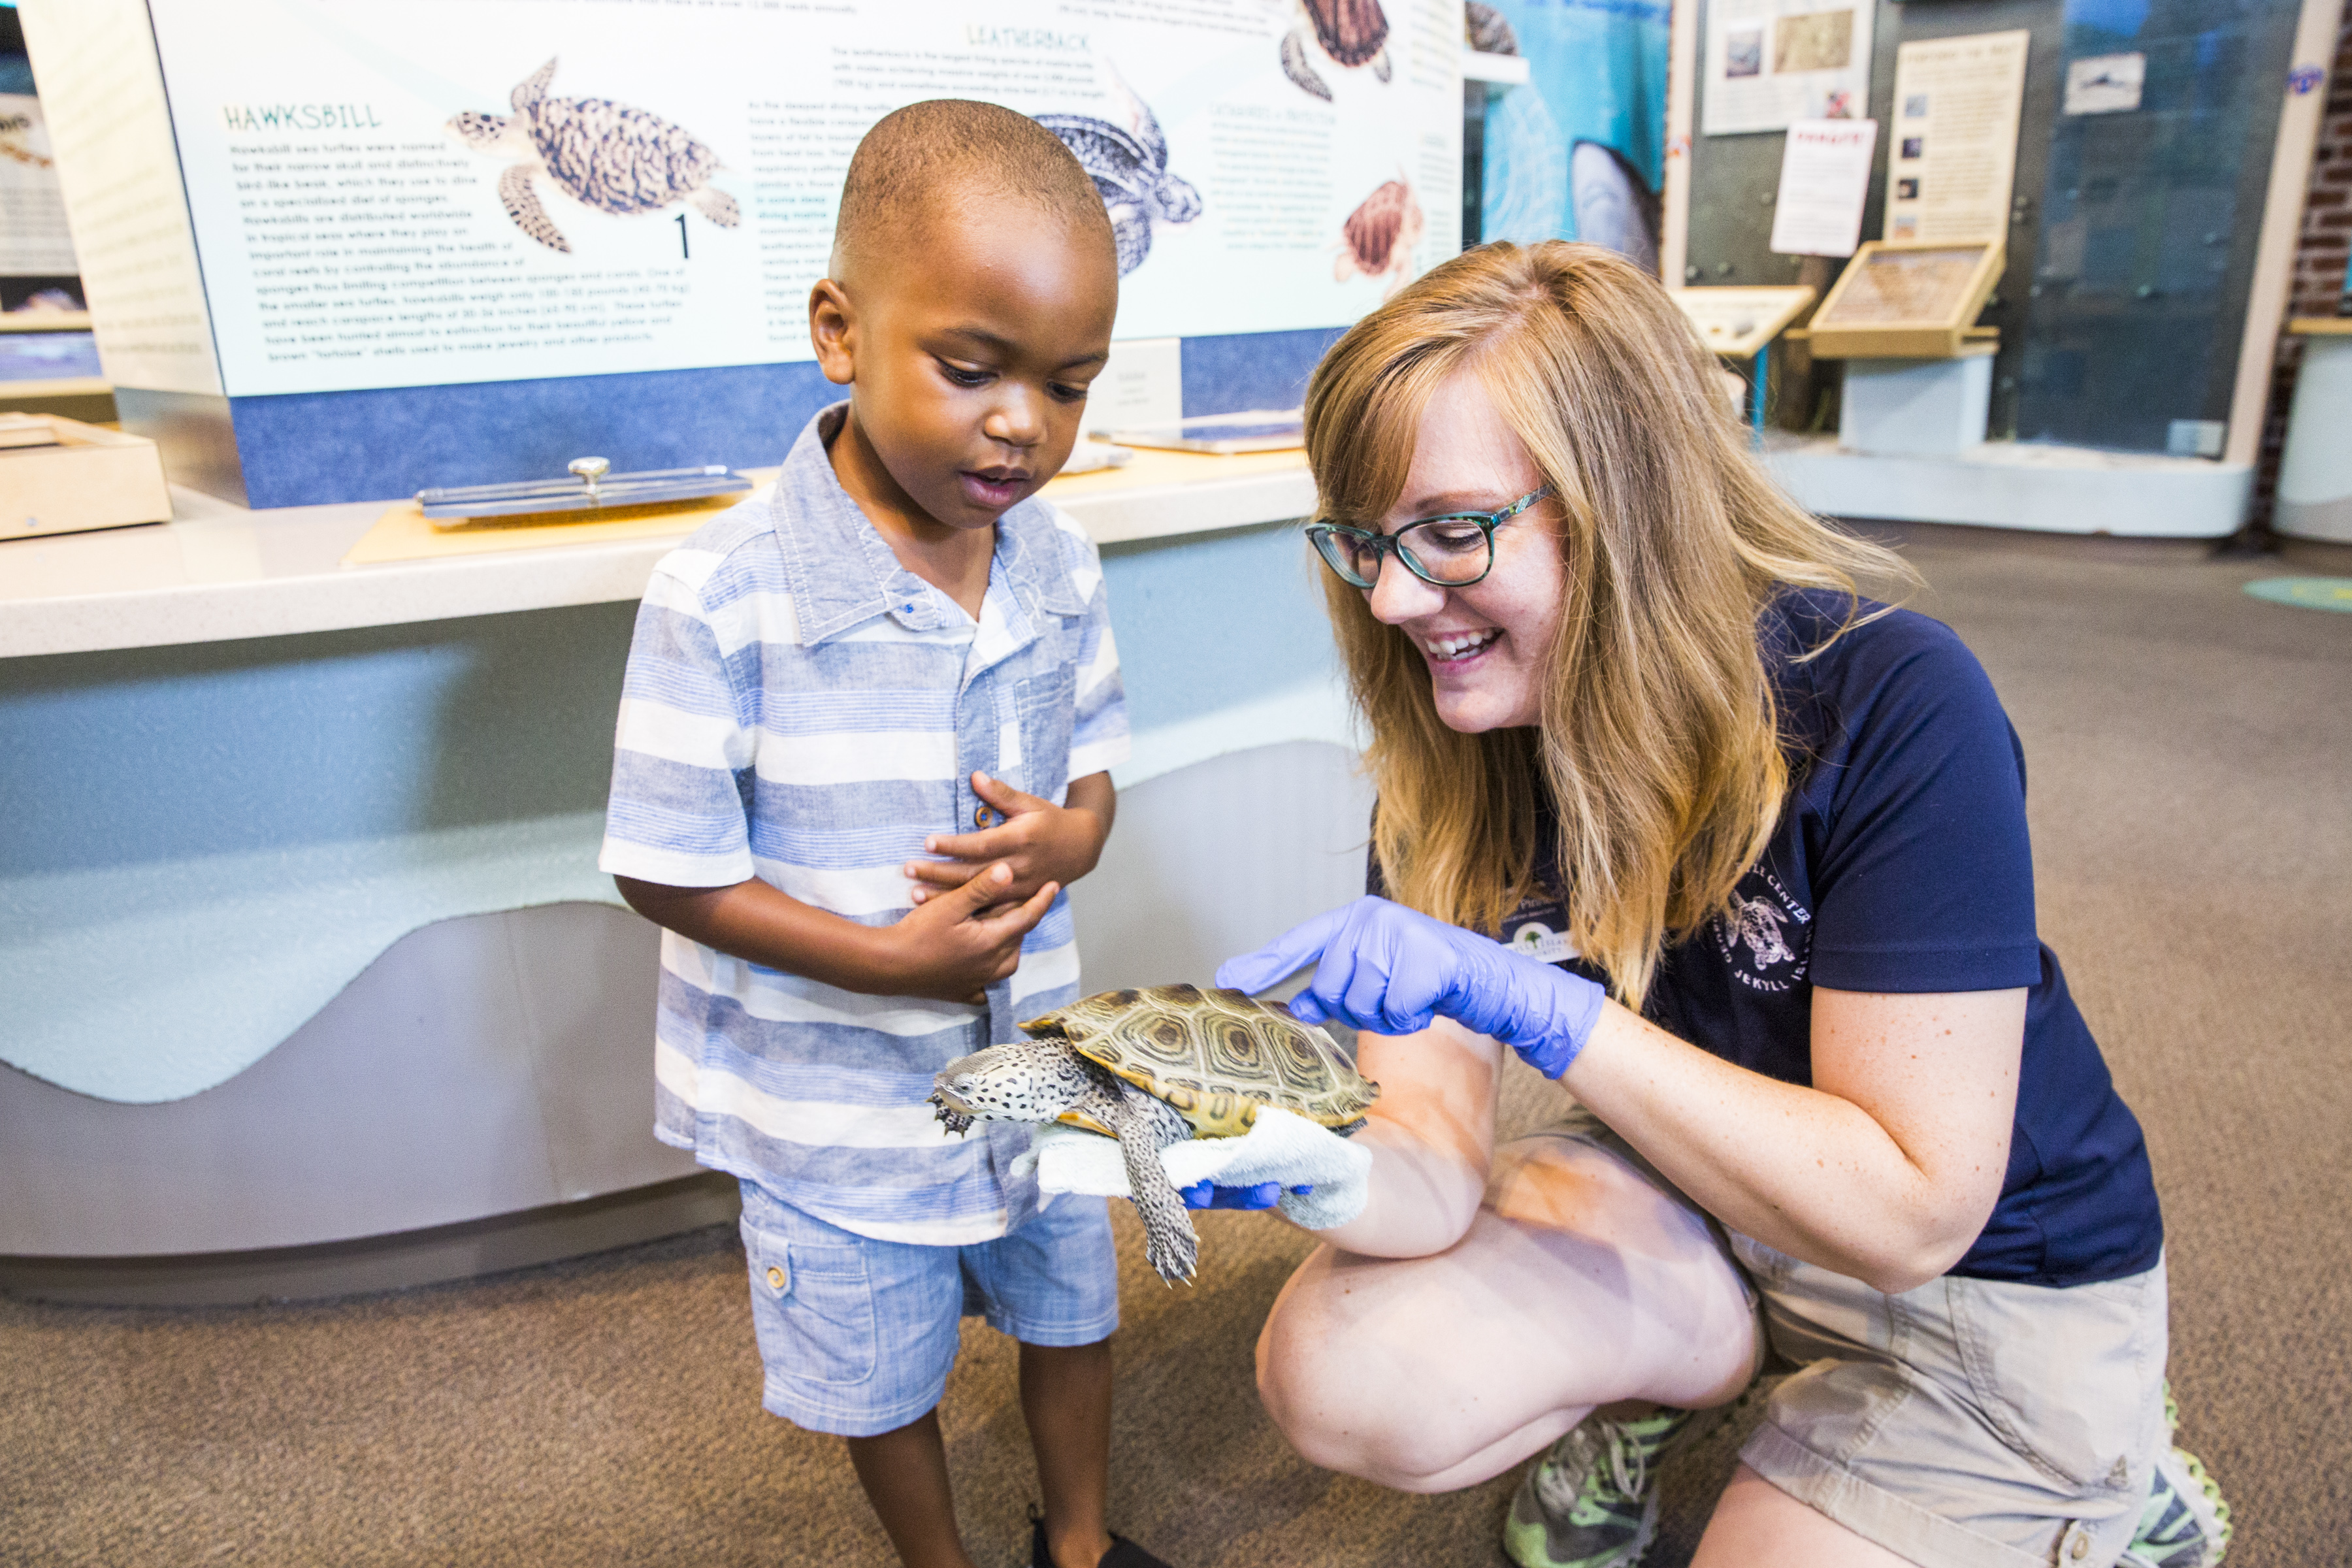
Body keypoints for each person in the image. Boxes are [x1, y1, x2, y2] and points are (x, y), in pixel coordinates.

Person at [1211, 242, 2232, 1568]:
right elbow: (1429, 1175)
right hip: (1712, 1195)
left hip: (1988, 1279)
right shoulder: (1459, 757)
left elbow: (1910, 1213)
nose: (1397, 598)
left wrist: (1530, 1007)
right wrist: (1302, 1156)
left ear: (1624, 502)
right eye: (1366, 542)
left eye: (1452, 533)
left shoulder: (1890, 701)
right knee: (1335, 1371)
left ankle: (2110, 1472)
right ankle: (1697, 1383)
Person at [599, 101, 1170, 1568]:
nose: (1023, 424)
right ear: (841, 330)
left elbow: (1095, 774)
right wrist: (879, 962)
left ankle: (1085, 1544)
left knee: (1074, 1308)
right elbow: (663, 861)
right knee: (879, 1375)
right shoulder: (720, 593)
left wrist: (1071, 843)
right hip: (831, 1112)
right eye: (972, 369)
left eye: (1069, 384)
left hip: (1039, 1070)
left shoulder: (1060, 558)